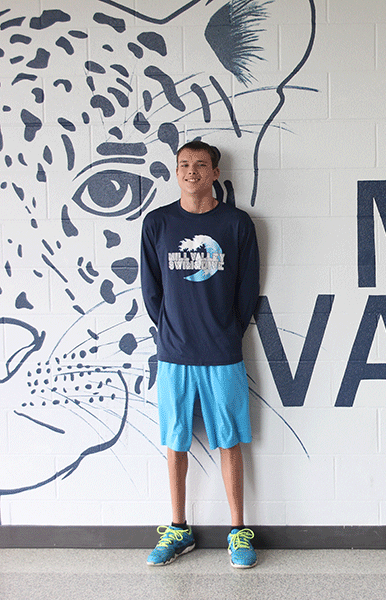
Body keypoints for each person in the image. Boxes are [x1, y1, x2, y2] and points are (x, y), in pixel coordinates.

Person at [140, 140, 261, 568]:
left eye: (200, 165)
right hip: (174, 354)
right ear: (176, 172)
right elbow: (150, 290)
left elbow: (248, 290)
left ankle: (238, 531)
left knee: (229, 442)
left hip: (223, 353)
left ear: (215, 173)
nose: (191, 171)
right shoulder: (158, 223)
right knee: (175, 442)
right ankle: (178, 529)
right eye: (184, 165)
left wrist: (227, 331)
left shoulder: (236, 223)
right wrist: (173, 330)